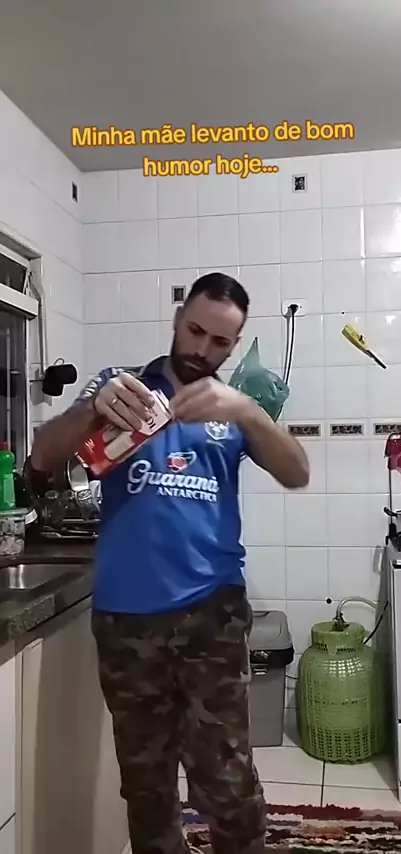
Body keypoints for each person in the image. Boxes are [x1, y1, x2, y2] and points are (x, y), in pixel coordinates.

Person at [31, 272, 310, 854]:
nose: (202, 349)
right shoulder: (122, 387)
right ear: (179, 318)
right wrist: (91, 411)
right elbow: (43, 455)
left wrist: (248, 411)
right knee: (146, 787)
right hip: (126, 621)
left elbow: (297, 473)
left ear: (234, 345)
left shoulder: (231, 408)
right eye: (195, 331)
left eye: (220, 342)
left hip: (212, 616)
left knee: (228, 783)